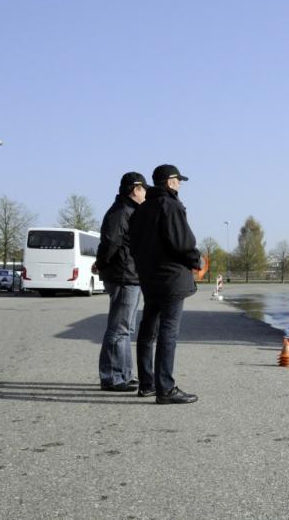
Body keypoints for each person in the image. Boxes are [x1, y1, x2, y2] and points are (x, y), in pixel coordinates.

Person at [131, 164, 201, 404]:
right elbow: (182, 242)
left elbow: (134, 244)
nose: (180, 184)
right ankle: (166, 389)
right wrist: (196, 261)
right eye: (178, 180)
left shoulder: (141, 209)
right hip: (171, 278)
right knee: (168, 332)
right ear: (170, 182)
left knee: (147, 330)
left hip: (149, 278)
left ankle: (146, 384)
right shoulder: (170, 206)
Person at [95, 172, 147, 392]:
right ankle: (113, 377)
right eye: (144, 189)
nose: (146, 193)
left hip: (129, 275)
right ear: (135, 189)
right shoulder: (122, 212)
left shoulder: (128, 210)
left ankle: (124, 374)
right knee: (119, 328)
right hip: (124, 275)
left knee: (126, 327)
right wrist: (102, 263)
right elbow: (110, 242)